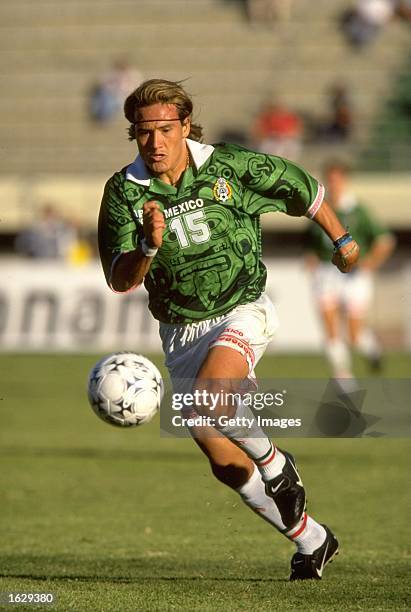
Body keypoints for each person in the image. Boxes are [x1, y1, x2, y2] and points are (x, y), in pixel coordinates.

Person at [98, 79, 360, 580]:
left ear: (184, 126)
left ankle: (277, 462)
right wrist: (148, 247)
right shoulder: (123, 192)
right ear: (132, 133)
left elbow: (301, 187)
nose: (154, 142)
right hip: (180, 332)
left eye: (164, 130)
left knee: (213, 400)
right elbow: (118, 278)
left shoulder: (229, 166)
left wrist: (341, 237)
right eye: (143, 132)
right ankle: (312, 538)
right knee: (220, 456)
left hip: (242, 307)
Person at [306, 161, 395, 378]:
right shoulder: (321, 208)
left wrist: (370, 262)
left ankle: (372, 350)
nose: (334, 184)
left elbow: (385, 240)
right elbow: (310, 242)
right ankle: (343, 377)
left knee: (354, 336)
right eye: (331, 179)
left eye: (338, 179)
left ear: (345, 181)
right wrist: (310, 257)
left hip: (353, 275)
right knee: (331, 329)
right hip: (326, 273)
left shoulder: (358, 211)